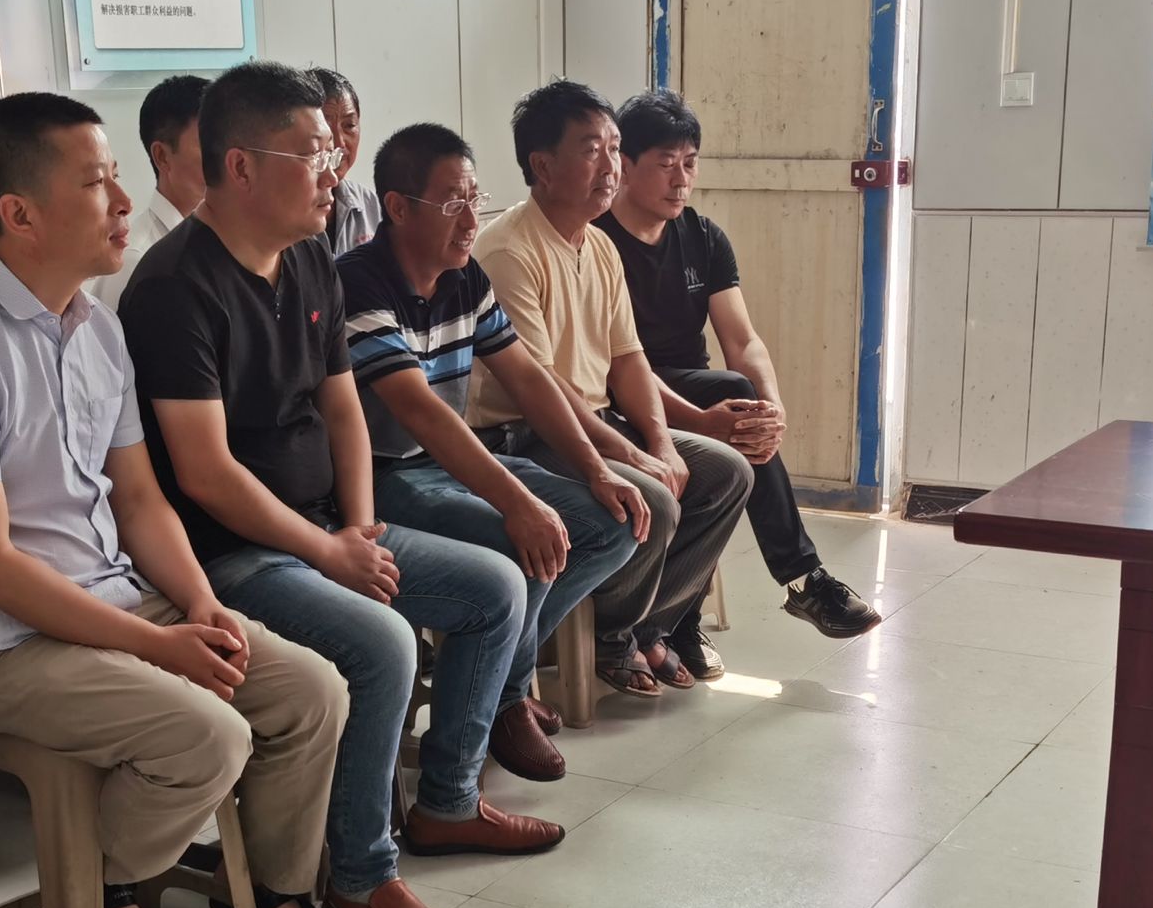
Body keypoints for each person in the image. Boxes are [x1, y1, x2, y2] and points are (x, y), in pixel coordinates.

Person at [0, 91, 351, 908]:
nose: (126, 201)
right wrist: (156, 644)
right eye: (98, 183)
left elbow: (138, 500)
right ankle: (99, 879)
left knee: (310, 691)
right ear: (21, 214)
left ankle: (275, 886)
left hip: (115, 601)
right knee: (209, 734)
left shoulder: (97, 328)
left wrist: (201, 606)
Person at [123, 62, 563, 908]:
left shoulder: (310, 258)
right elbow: (204, 474)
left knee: (495, 587)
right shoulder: (173, 288)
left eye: (333, 151)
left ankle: (446, 802)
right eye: (314, 154)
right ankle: (361, 875)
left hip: (326, 526)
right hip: (229, 553)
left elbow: (342, 408)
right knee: (383, 642)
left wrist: (358, 528)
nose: (335, 172)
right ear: (241, 167)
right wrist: (329, 553)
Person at [341, 123, 648, 781]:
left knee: (613, 520)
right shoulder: (359, 283)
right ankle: (482, 732)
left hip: (449, 463)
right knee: (523, 540)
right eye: (453, 202)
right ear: (398, 208)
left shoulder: (463, 277)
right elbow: (420, 411)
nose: (469, 220)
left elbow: (528, 378)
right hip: (387, 476)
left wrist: (597, 470)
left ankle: (502, 686)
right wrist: (518, 504)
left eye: (475, 200)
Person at [470, 81, 752, 696]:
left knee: (726, 473)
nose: (610, 167)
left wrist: (662, 441)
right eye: (591, 150)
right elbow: (540, 384)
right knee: (654, 499)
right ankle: (609, 632)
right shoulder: (509, 251)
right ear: (543, 166)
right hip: (526, 433)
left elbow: (628, 358)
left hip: (599, 420)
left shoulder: (598, 244)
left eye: (614, 149)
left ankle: (645, 625)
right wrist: (629, 454)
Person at [601, 89, 882, 661]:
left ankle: (687, 616)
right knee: (732, 396)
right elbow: (614, 362)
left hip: (693, 388)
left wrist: (770, 408)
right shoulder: (598, 242)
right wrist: (709, 415)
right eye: (665, 164)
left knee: (742, 401)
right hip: (621, 393)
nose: (681, 180)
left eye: (690, 163)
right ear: (625, 165)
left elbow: (742, 339)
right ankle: (796, 580)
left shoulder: (702, 237)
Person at [97, 73, 206, 314]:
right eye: (209, 144)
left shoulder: (232, 244)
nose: (226, 158)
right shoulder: (134, 260)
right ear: (162, 157)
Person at [311, 67, 381, 257]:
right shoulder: (283, 212)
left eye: (349, 125)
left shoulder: (370, 205)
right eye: (326, 127)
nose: (339, 143)